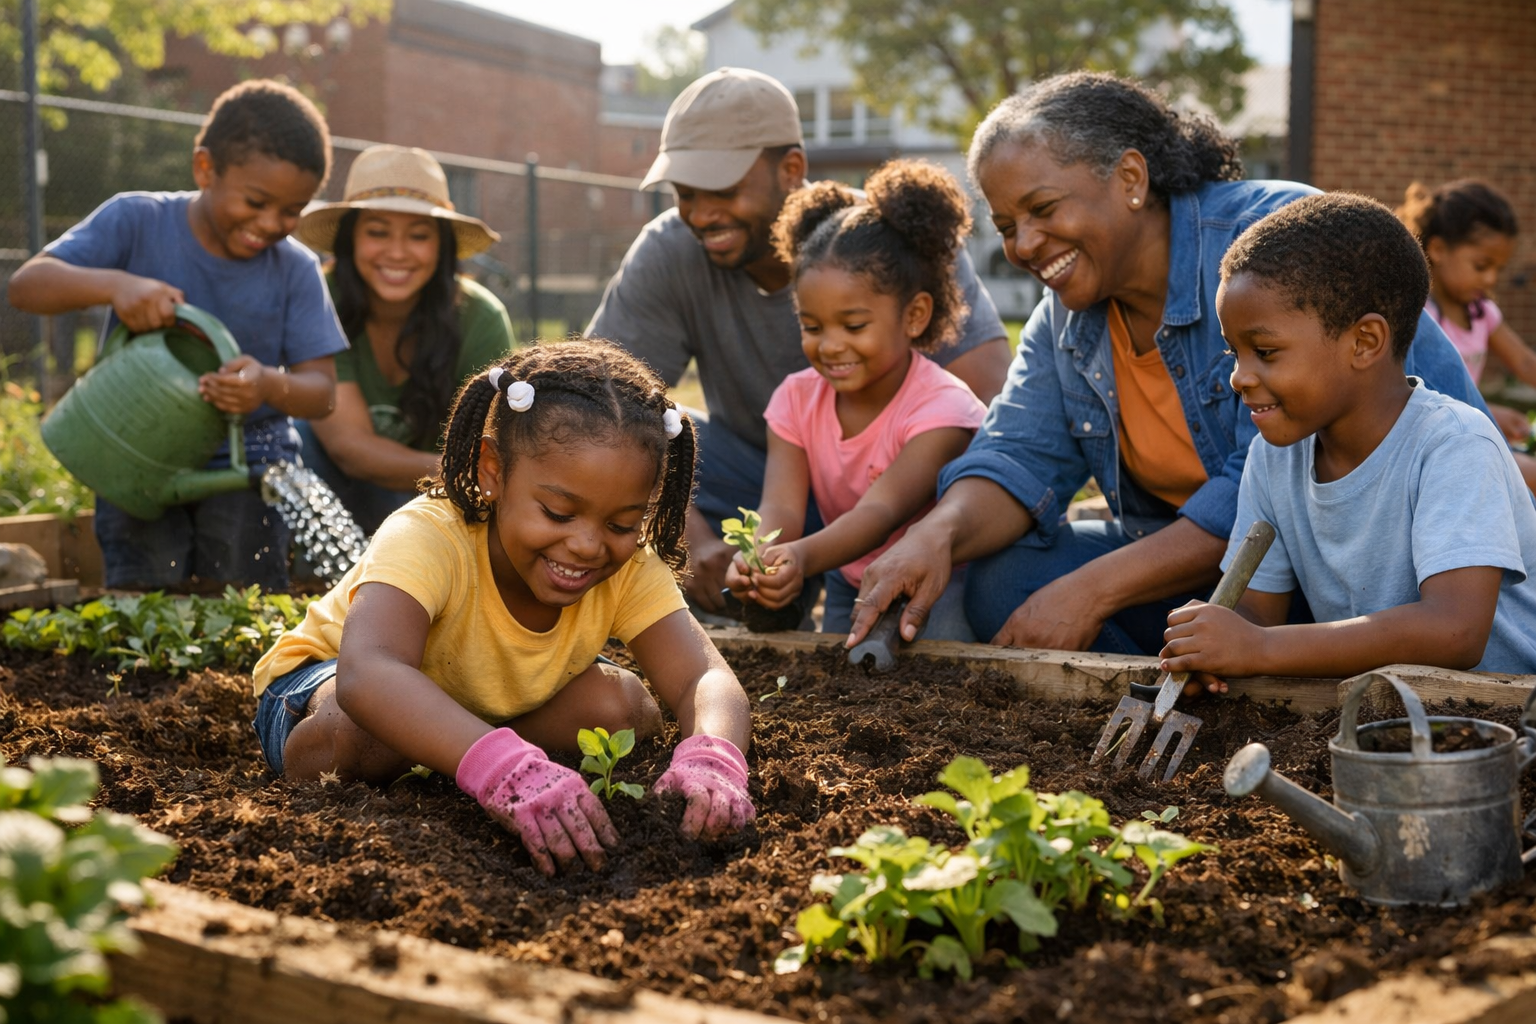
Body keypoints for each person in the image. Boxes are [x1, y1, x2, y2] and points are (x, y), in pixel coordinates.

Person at [847, 71, 1491, 657]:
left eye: (1042, 210)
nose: (1023, 245)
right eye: (1007, 225)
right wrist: (938, 532)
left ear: (1130, 178)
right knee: (1007, 580)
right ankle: (1167, 690)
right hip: (1228, 583)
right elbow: (1019, 452)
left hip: (1358, 575)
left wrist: (1094, 590)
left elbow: (1262, 492)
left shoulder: (1274, 252)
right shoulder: (1067, 317)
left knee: (1075, 589)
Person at [250, 340, 755, 877]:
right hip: (326, 691)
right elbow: (367, 674)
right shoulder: (430, 534)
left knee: (621, 709)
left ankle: (462, 755)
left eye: (621, 524)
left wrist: (713, 758)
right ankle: (474, 757)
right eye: (559, 512)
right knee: (357, 730)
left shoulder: (628, 565)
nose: (588, 544)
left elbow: (703, 675)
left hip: (480, 706)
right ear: (492, 469)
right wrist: (502, 767)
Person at [588, 67, 1012, 619]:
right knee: (653, 428)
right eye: (685, 193)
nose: (700, 213)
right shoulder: (669, 250)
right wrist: (693, 541)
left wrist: (931, 526)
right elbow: (602, 401)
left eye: (722, 189)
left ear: (791, 169)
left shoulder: (887, 239)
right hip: (763, 474)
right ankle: (750, 594)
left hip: (899, 482)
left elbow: (986, 395)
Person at [1159, 192, 1536, 680]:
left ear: (1365, 342)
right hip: (1379, 712)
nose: (1240, 378)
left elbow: (1455, 631)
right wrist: (1214, 651)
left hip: (1503, 717)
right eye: (1235, 354)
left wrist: (1262, 648)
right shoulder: (1273, 458)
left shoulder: (1454, 444)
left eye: (1265, 351)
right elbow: (1257, 614)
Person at [7, 80, 346, 591]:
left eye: (292, 210)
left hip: (248, 467)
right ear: (205, 168)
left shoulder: (295, 268)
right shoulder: (137, 220)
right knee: (142, 602)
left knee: (239, 607)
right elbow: (27, 286)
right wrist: (115, 286)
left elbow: (321, 393)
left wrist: (266, 386)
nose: (271, 223)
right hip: (136, 457)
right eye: (256, 201)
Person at [724, 160, 987, 638]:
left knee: (937, 671)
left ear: (914, 316)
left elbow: (880, 512)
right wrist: (759, 555)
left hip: (942, 580)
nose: (830, 345)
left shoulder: (943, 410)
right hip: (849, 575)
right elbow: (780, 508)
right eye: (812, 327)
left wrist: (802, 557)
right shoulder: (795, 399)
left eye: (854, 326)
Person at [292, 145, 516, 534]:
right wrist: (475, 470)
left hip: (441, 504)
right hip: (331, 498)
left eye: (418, 236)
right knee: (297, 434)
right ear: (350, 240)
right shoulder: (319, 297)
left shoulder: (482, 317)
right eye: (377, 232)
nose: (397, 253)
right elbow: (349, 449)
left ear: (442, 245)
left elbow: (495, 445)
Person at [1396, 180, 1536, 489]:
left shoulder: (1482, 312)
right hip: (1436, 440)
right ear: (1438, 249)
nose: (1491, 278)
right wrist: (1489, 412)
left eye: (1498, 269)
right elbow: (1415, 397)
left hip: (1473, 429)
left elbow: (1525, 363)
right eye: (1482, 265)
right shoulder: (1421, 319)